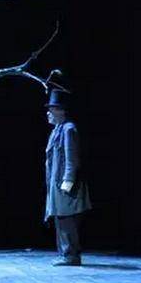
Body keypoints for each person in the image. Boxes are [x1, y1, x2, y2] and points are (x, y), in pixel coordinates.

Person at [44, 89, 92, 266]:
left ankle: (71, 256)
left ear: (61, 111)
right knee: (60, 217)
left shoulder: (68, 129)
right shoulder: (57, 130)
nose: (48, 113)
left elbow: (72, 158)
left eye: (52, 109)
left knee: (67, 219)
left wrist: (68, 181)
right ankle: (65, 254)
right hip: (56, 183)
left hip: (64, 183)